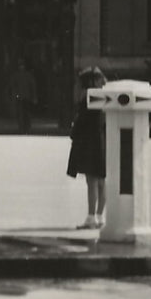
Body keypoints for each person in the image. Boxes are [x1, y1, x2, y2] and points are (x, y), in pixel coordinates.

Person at [67, 66, 109, 228]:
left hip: (90, 142)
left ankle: (91, 217)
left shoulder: (89, 99)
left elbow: (81, 122)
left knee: (91, 181)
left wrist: (73, 132)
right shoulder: (106, 97)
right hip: (103, 140)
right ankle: (99, 216)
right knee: (101, 180)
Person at [7, 58, 36, 134]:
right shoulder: (18, 75)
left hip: (25, 97)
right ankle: (23, 127)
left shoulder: (26, 75)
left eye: (22, 65)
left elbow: (32, 86)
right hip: (21, 96)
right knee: (21, 113)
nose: (21, 67)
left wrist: (33, 96)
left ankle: (25, 127)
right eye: (20, 66)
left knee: (25, 112)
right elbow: (12, 85)